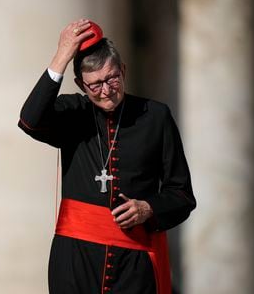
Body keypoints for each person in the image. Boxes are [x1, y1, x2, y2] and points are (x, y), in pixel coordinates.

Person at [18, 19, 196, 294]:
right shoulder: (73, 113)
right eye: (95, 85)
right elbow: (30, 120)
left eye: (112, 78)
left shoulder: (156, 116)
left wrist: (147, 208)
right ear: (81, 85)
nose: (106, 90)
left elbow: (182, 195)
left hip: (134, 265)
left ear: (123, 70)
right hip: (75, 260)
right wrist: (62, 55)